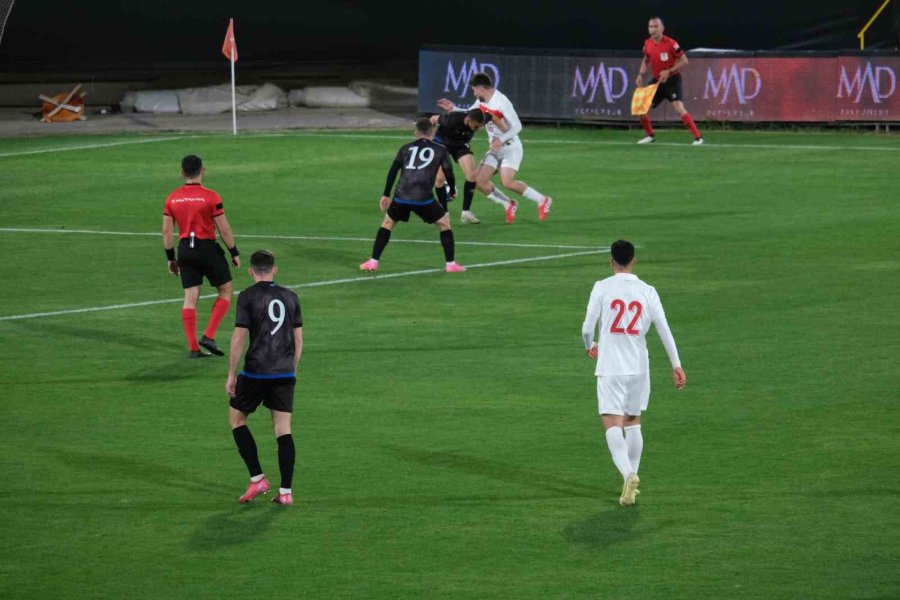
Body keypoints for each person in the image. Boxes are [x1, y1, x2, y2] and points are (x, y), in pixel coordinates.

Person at [581, 240, 686, 506]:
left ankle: (628, 474)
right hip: (639, 367)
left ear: (611, 261)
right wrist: (676, 364)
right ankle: (632, 482)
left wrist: (590, 345)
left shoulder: (602, 287)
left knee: (611, 423)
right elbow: (664, 329)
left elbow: (586, 328)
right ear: (634, 261)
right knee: (633, 422)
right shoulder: (648, 291)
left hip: (611, 367)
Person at [226, 250, 303, 506]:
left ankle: (257, 478)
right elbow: (298, 340)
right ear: (275, 270)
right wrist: (291, 369)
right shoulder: (291, 297)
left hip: (256, 371)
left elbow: (239, 337)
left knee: (237, 420)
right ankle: (285, 492)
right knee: (283, 430)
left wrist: (231, 374)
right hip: (284, 371)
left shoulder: (247, 296)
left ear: (251, 271)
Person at [437, 72, 553, 224]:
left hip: (510, 146)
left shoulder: (502, 101)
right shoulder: (482, 100)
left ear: (481, 88)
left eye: (474, 89)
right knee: (478, 181)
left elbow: (517, 126)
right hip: (495, 147)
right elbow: (470, 114)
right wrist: (453, 108)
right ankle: (508, 204)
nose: (473, 92)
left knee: (507, 182)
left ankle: (543, 200)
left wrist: (502, 139)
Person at [359, 117, 466, 273]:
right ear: (432, 132)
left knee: (387, 224)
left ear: (416, 132)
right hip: (424, 198)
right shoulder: (441, 150)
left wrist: (386, 194)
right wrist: (453, 190)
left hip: (401, 195)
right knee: (444, 224)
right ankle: (450, 264)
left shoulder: (405, 148)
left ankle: (373, 262)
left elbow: (393, 171)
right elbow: (448, 172)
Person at [162, 154, 240, 358]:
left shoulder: (172, 198)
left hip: (185, 250)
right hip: (207, 248)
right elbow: (224, 229)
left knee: (190, 297)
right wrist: (234, 252)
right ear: (202, 171)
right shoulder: (211, 196)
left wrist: (171, 259)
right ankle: (209, 336)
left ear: (182, 173)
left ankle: (194, 349)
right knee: (226, 291)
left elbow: (167, 233)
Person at [635, 17, 704, 145]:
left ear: (662, 28)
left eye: (656, 26)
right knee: (642, 107)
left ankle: (698, 138)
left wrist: (669, 71)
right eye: (650, 26)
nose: (653, 29)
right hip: (657, 81)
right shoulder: (647, 43)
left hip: (672, 80)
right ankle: (650, 136)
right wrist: (640, 74)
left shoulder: (671, 43)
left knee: (679, 108)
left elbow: (684, 60)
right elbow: (646, 60)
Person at [429, 108, 486, 224]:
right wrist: (426, 138)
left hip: (459, 145)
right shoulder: (451, 119)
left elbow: (492, 115)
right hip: (441, 144)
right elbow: (433, 119)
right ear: (468, 120)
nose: (478, 129)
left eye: (480, 126)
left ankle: (466, 212)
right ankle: (444, 213)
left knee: (472, 175)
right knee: (439, 179)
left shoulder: (477, 120)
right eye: (476, 127)